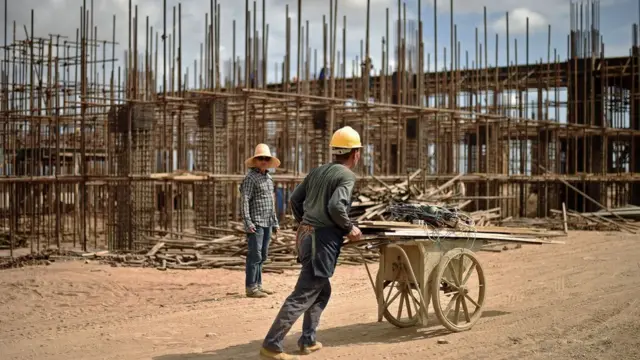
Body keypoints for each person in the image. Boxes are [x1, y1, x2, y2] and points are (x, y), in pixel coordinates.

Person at [259, 126, 363, 360]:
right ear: (355, 153)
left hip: (305, 236)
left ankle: (308, 340)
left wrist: (305, 222)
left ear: (335, 151)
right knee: (304, 292)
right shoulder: (346, 176)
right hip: (321, 240)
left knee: (321, 290)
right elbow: (337, 207)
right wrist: (349, 228)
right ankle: (272, 345)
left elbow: (296, 199)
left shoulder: (317, 171)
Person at [240, 143, 281, 298]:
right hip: (256, 222)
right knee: (254, 255)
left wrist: (275, 222)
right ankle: (251, 287)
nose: (263, 161)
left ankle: (258, 285)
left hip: (267, 222)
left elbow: (271, 202)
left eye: (266, 158)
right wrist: (248, 222)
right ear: (256, 161)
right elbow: (244, 201)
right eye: (260, 158)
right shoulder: (250, 178)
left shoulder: (269, 178)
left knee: (262, 255)